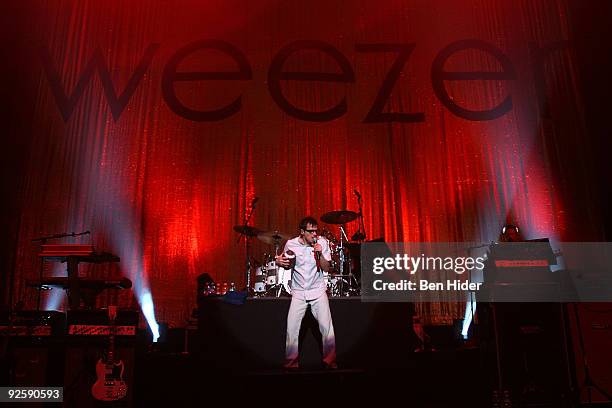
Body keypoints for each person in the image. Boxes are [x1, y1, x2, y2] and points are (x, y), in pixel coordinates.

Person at [275, 216, 337, 369]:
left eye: (315, 231)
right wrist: (280, 262)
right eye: (310, 232)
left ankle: (330, 361)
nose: (314, 235)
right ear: (302, 232)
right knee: (292, 328)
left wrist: (320, 254)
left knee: (326, 328)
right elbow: (287, 265)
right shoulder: (291, 244)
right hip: (299, 292)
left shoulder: (322, 242)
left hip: (317, 290)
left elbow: (326, 268)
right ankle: (291, 364)